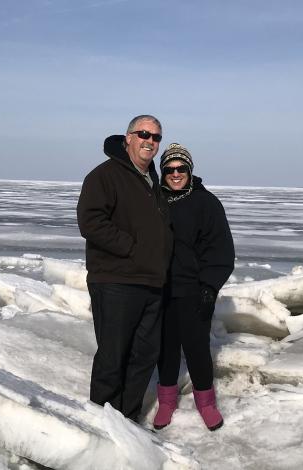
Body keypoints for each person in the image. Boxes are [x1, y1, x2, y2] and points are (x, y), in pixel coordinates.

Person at [76, 115, 173, 421]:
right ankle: (102, 424)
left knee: (143, 356)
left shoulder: (152, 182)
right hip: (116, 280)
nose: (150, 141)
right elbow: (90, 222)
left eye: (156, 137)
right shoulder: (105, 176)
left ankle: (127, 421)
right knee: (113, 357)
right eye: (144, 134)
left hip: (151, 283)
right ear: (128, 137)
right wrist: (132, 249)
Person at [153, 143, 235, 431]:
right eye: (170, 169)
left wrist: (209, 287)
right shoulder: (154, 199)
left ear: (190, 170)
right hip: (159, 289)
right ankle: (166, 401)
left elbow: (222, 251)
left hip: (193, 291)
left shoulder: (207, 203)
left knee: (197, 348)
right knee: (165, 348)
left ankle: (206, 402)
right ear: (163, 172)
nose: (176, 174)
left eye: (181, 169)